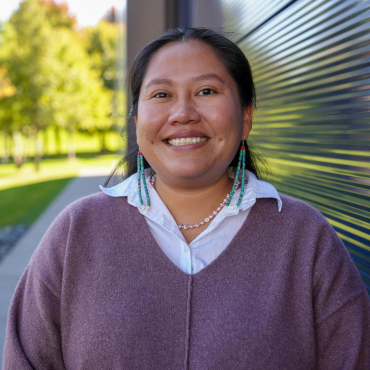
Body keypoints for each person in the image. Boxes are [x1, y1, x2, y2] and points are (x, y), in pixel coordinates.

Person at [3, 27, 370, 370]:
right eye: (161, 94)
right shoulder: (76, 232)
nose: (183, 114)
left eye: (206, 91)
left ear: (245, 117)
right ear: (136, 121)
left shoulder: (306, 238)